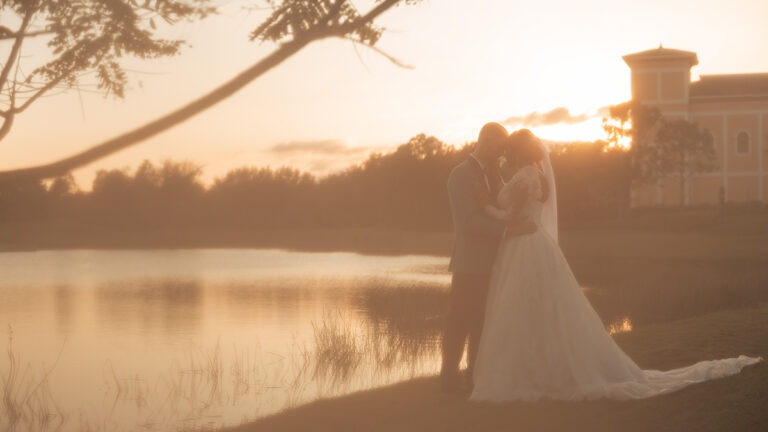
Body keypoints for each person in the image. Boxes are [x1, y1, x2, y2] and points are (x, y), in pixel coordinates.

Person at [469, 129, 762, 401]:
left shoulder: (524, 176)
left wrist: (484, 205)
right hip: (534, 244)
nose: (506, 155)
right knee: (541, 310)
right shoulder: (537, 174)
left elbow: (509, 215)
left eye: (510, 151)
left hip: (524, 245)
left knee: (523, 309)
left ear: (519, 152)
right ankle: (537, 368)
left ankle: (527, 373)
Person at [441, 122, 536, 393]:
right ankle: (448, 378)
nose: (501, 152)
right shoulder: (459, 175)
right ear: (484, 141)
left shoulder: (494, 175)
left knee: (483, 323)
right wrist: (510, 230)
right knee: (459, 321)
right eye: (498, 146)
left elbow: (506, 205)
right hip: (469, 262)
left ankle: (475, 375)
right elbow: (469, 222)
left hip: (496, 262)